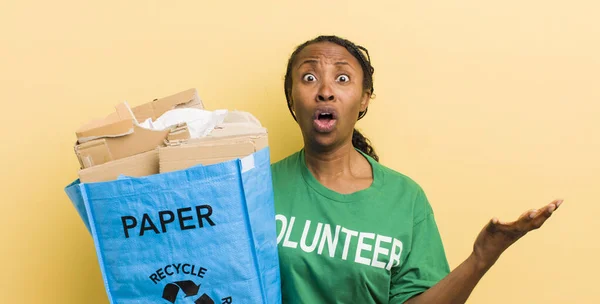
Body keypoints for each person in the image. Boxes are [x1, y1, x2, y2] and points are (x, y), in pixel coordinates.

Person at [270, 35, 563, 304]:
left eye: (342, 78)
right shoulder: (256, 189)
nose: (325, 91)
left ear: (364, 98)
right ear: (291, 94)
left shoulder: (405, 199)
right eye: (309, 77)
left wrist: (481, 258)